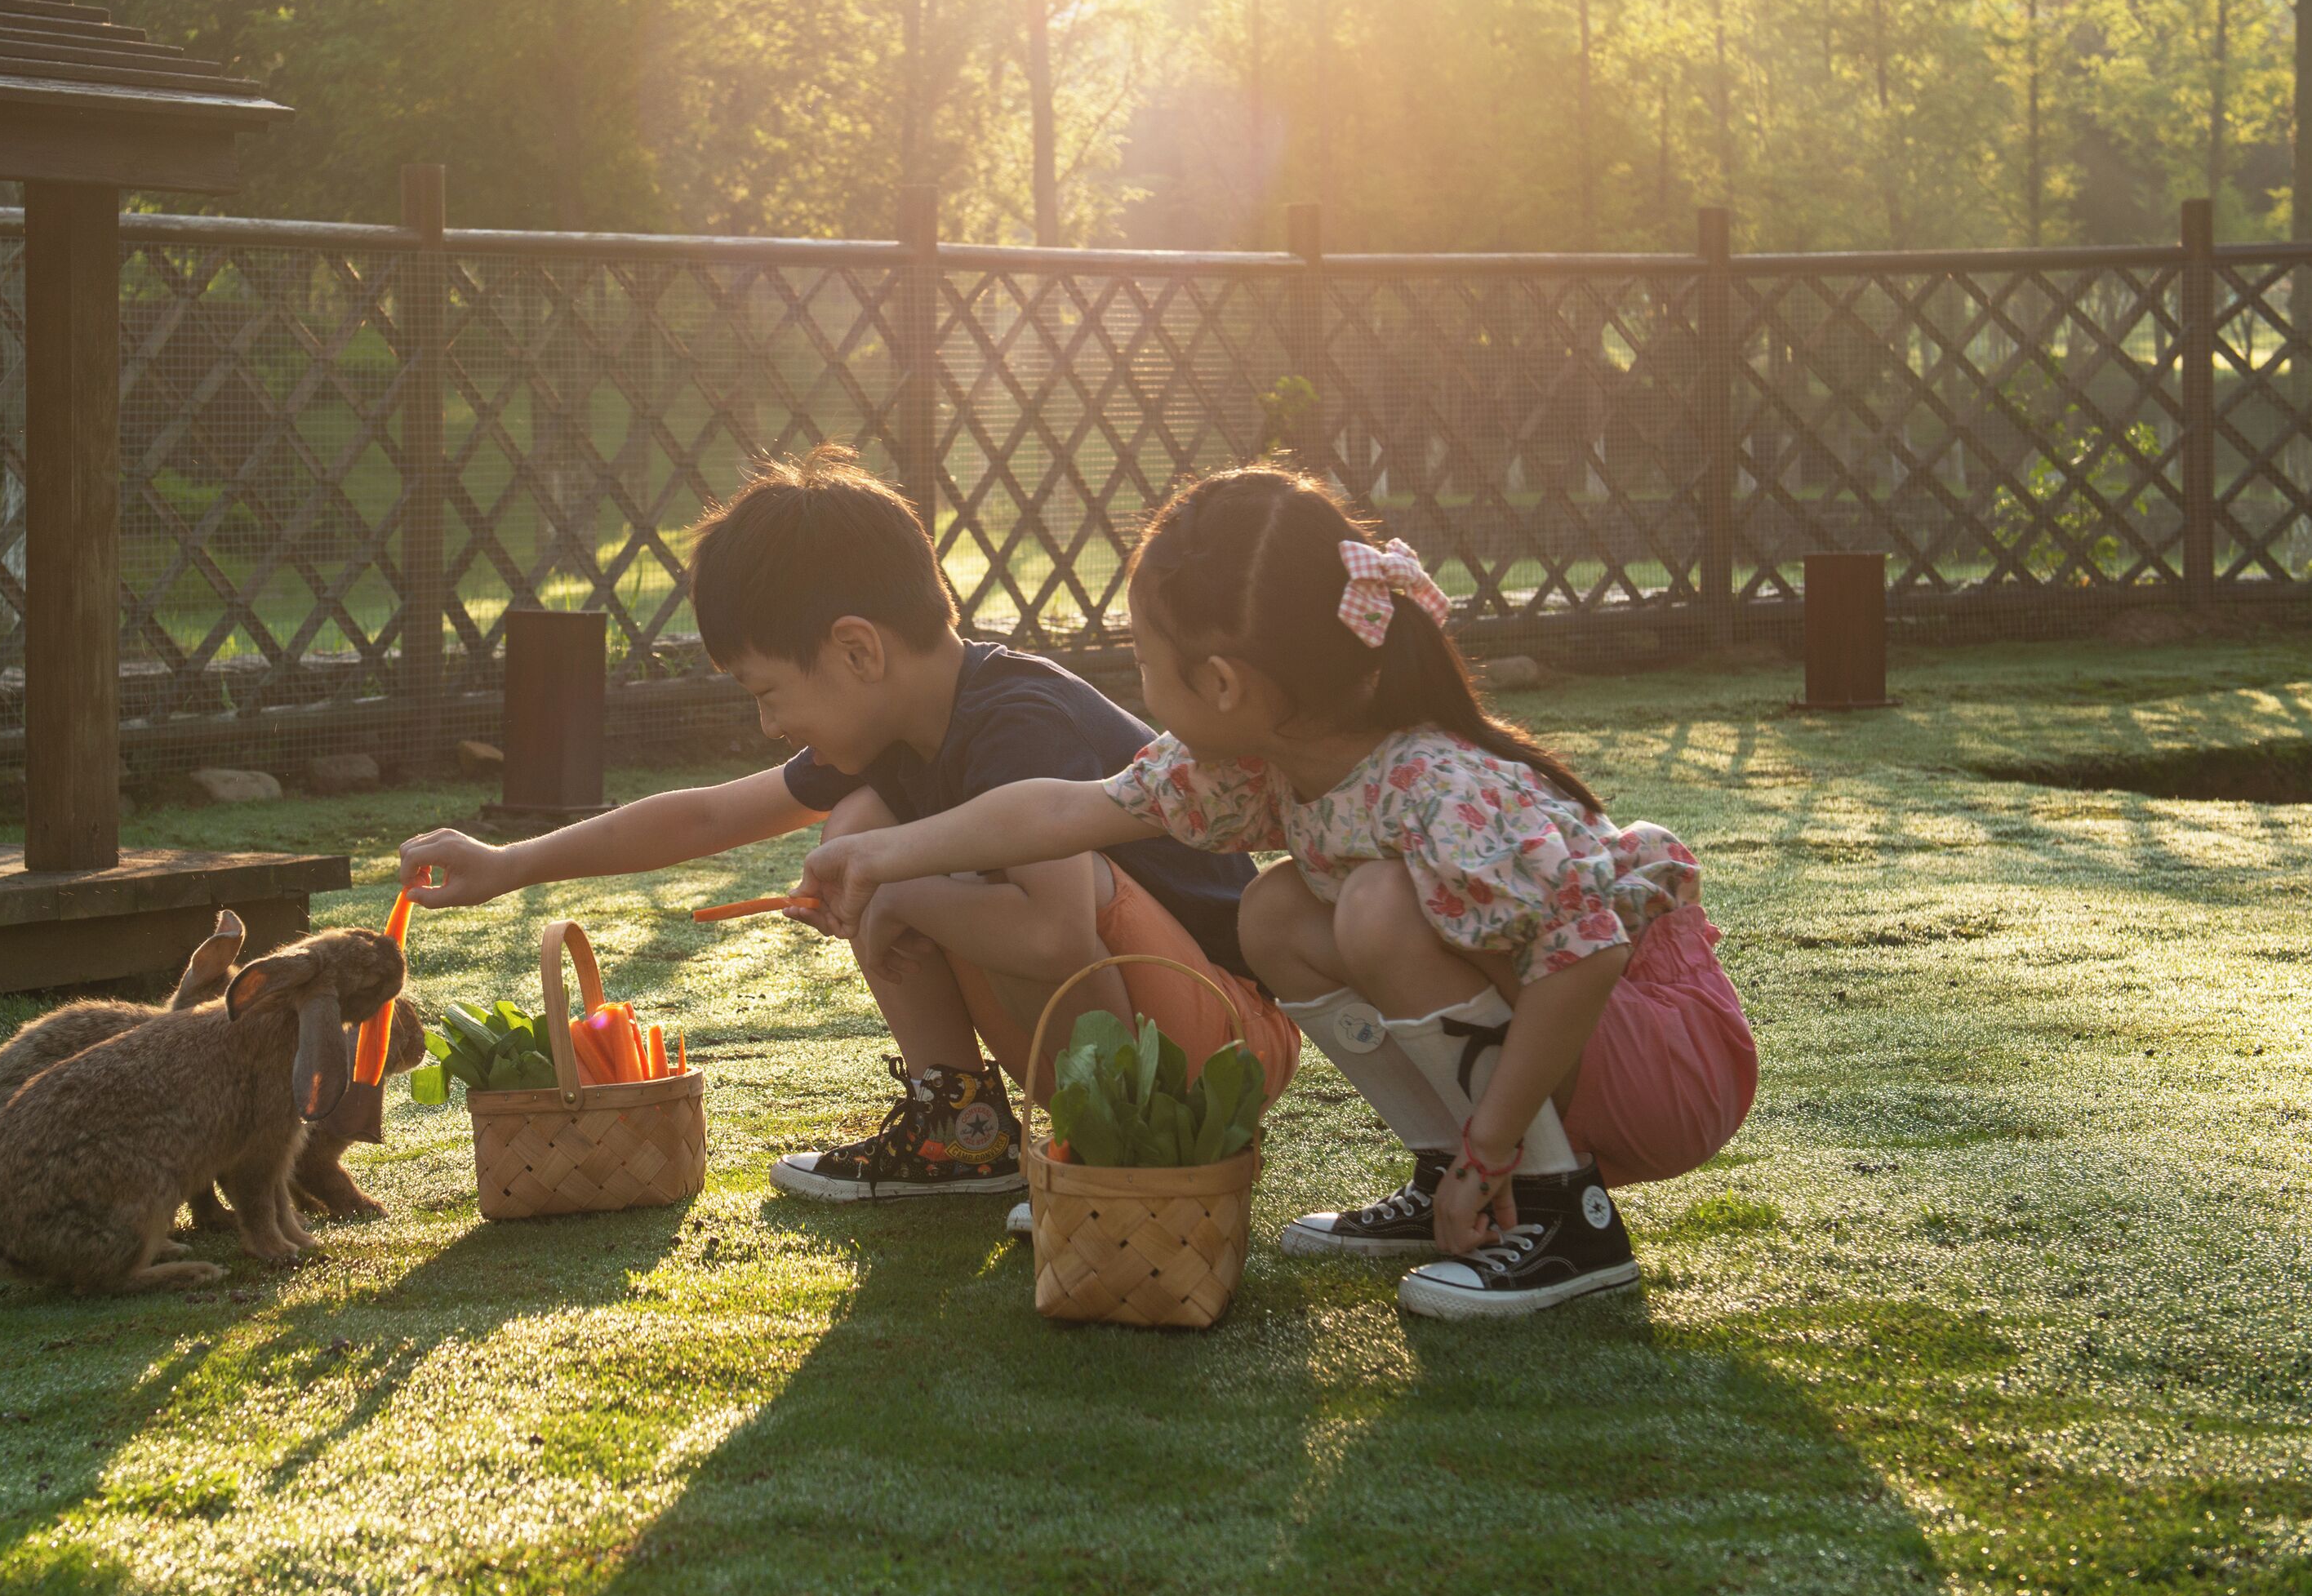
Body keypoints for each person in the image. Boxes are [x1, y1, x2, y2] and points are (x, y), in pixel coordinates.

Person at [802, 466, 1755, 1320]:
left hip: (1655, 1055)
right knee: (1277, 912)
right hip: (1568, 1050)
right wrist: (887, 854)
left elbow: (1585, 954)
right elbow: (1062, 812)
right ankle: (1446, 1180)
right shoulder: (1254, 765)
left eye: (1142, 656)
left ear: (1221, 682)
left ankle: (1563, 1217)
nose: (1132, 674)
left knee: (1376, 905)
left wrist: (1497, 1143)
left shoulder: (1436, 785)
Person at [397, 447, 1297, 1208]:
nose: (769, 726)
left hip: (1218, 1038)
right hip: (1128, 1017)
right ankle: (963, 1131)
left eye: (769, 693)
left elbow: (1058, 927)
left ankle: (1122, 1158)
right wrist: (510, 864)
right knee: (863, 820)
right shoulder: (892, 730)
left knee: (945, 853)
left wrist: (900, 885)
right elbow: (711, 812)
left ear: (857, 650)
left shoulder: (1018, 723)